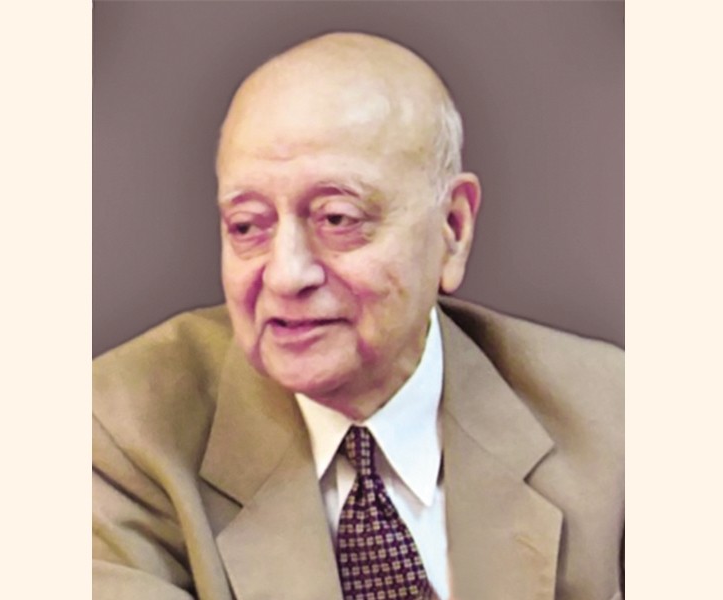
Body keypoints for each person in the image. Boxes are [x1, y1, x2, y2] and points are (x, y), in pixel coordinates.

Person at [93, 32, 623, 600]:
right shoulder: (120, 431)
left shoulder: (616, 418)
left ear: (452, 229)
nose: (285, 275)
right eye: (248, 226)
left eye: (338, 219)